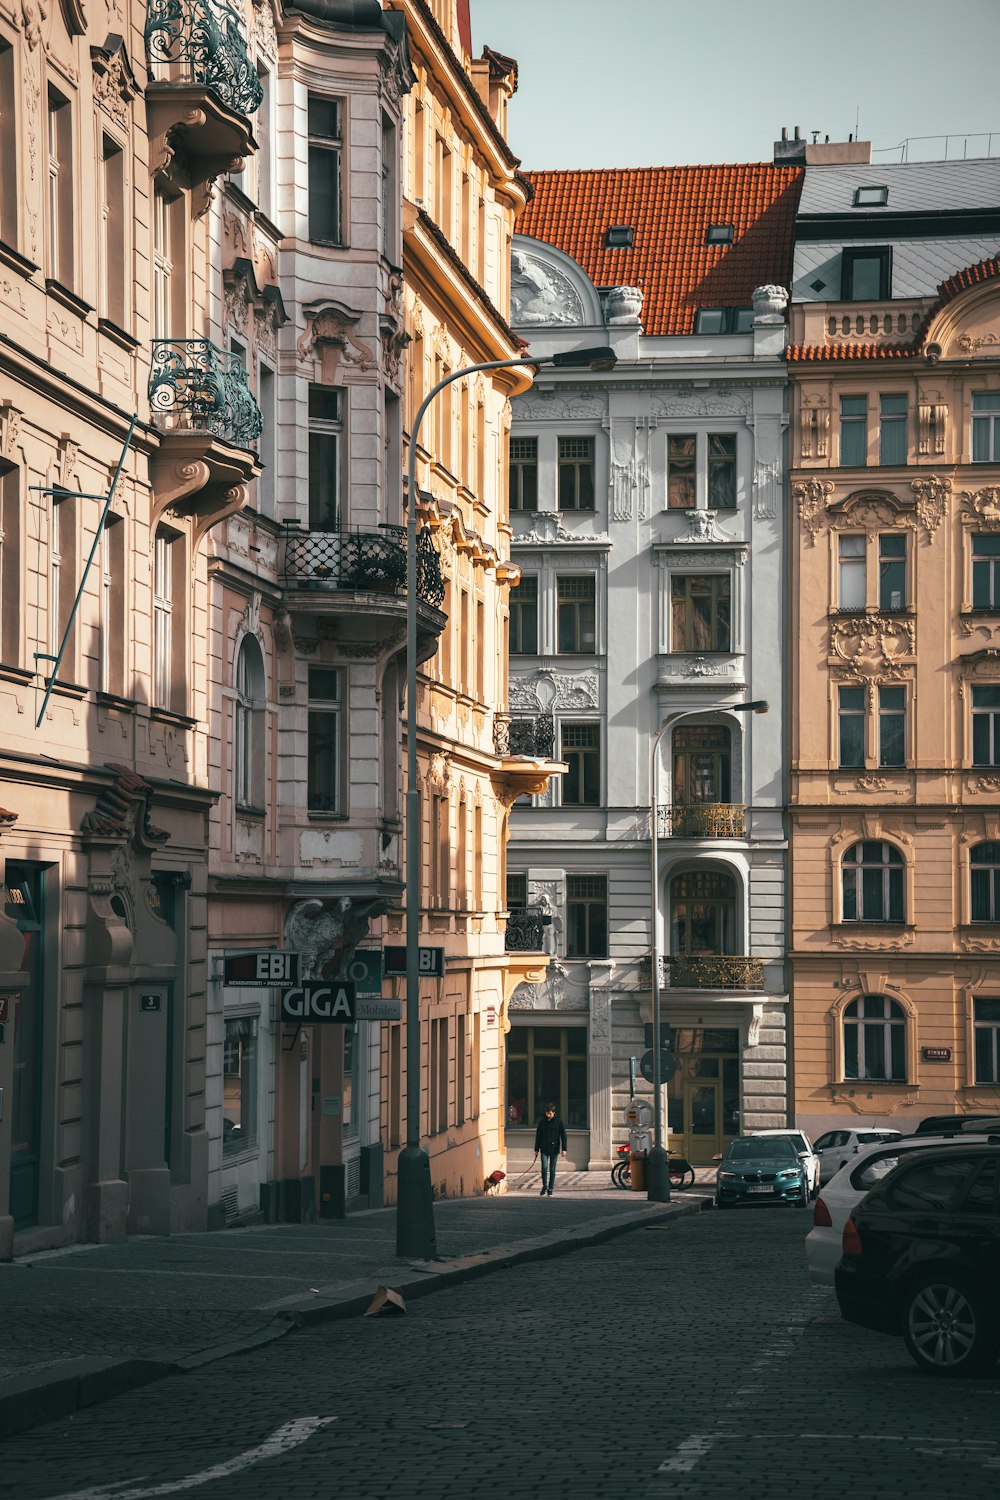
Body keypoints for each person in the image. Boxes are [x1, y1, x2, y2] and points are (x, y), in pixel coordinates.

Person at [533, 1102, 568, 1196]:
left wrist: (564, 1149)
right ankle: (544, 1186)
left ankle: (551, 1188)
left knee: (552, 1169)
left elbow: (563, 1136)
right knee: (544, 1167)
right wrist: (536, 1149)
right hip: (544, 1148)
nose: (548, 1115)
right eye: (547, 1113)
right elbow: (538, 1136)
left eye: (550, 1113)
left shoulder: (559, 1122)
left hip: (554, 1149)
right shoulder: (542, 1122)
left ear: (554, 1112)